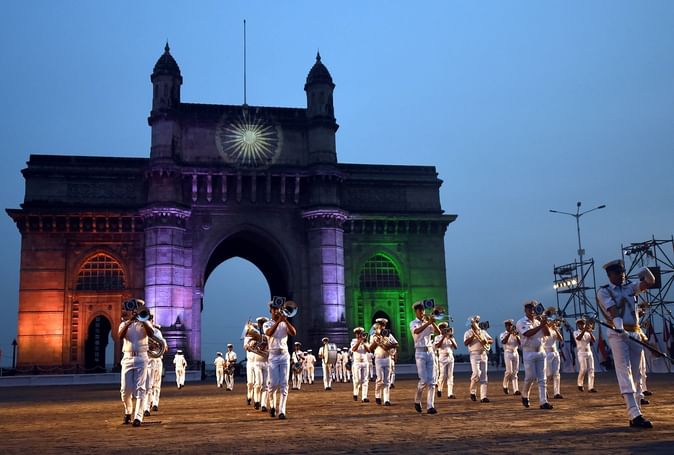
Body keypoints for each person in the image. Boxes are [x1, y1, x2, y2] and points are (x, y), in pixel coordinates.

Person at [596, 259, 655, 428]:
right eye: (617, 273)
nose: (621, 275)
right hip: (618, 334)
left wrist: (646, 271)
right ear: (609, 275)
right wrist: (620, 328)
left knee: (636, 373)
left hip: (635, 332)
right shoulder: (604, 291)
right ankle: (634, 414)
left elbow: (650, 282)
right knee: (624, 371)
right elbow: (613, 311)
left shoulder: (630, 287)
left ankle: (637, 411)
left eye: (622, 272)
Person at [119, 298, 155, 427]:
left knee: (141, 388)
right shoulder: (124, 324)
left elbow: (151, 334)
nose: (134, 312)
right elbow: (120, 336)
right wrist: (130, 322)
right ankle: (128, 411)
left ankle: (138, 417)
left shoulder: (145, 323)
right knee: (125, 390)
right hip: (127, 357)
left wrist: (143, 320)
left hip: (141, 357)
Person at [516, 301, 553, 410]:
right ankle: (525, 394)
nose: (532, 311)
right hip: (529, 352)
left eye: (533, 309)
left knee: (542, 378)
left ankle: (543, 401)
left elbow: (547, 333)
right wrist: (541, 325)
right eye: (529, 309)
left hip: (541, 351)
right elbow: (527, 334)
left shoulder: (538, 321)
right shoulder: (521, 322)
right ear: (525, 310)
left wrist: (543, 323)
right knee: (530, 377)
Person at [263, 301, 297, 420]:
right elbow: (269, 333)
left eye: (278, 309)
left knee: (284, 384)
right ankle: (272, 404)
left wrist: (285, 321)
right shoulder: (267, 324)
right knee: (273, 384)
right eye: (274, 309)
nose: (277, 311)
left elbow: (293, 332)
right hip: (273, 356)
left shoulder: (284, 323)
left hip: (284, 355)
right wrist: (278, 322)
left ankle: (282, 411)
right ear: (270, 311)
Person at [410, 301, 440, 414]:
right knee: (423, 381)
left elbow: (438, 332)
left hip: (430, 352)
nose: (422, 312)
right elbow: (417, 331)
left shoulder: (427, 322)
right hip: (420, 353)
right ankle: (417, 400)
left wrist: (433, 322)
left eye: (423, 310)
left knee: (432, 381)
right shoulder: (413, 323)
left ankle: (430, 406)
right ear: (416, 311)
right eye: (420, 310)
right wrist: (428, 324)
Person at [463, 315, 494, 403]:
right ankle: (472, 392)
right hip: (474, 354)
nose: (476, 324)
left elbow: (491, 340)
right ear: (471, 324)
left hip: (483, 354)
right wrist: (473, 336)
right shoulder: (468, 333)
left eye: (477, 322)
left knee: (484, 375)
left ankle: (483, 397)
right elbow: (465, 343)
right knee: (476, 373)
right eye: (474, 322)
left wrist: (486, 341)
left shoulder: (483, 332)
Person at [370, 318, 398, 406]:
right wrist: (377, 342)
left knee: (387, 380)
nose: (382, 327)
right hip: (379, 359)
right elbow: (370, 348)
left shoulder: (388, 335)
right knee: (380, 379)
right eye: (380, 325)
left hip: (388, 358)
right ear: (377, 326)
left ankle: (386, 399)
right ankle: (377, 395)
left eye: (383, 325)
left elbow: (396, 344)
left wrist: (389, 346)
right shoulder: (373, 336)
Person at [143, 317, 167, 415]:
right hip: (148, 360)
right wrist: (147, 347)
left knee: (157, 383)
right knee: (148, 385)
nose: (149, 322)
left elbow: (165, 347)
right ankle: (146, 407)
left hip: (158, 359)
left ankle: (155, 403)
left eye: (150, 320)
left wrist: (158, 345)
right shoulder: (142, 332)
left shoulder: (157, 332)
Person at [248, 316, 269, 411]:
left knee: (266, 385)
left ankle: (264, 404)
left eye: (263, 323)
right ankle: (256, 400)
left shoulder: (268, 335)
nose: (262, 325)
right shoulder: (254, 337)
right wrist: (250, 345)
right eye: (260, 323)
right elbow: (248, 346)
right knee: (258, 383)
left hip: (267, 362)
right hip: (257, 362)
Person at [544, 313, 564, 400]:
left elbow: (561, 339)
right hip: (547, 353)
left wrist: (556, 329)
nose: (553, 322)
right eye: (551, 320)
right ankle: (544, 390)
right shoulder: (544, 330)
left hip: (555, 352)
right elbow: (547, 335)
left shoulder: (554, 330)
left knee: (556, 374)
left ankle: (557, 393)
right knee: (549, 374)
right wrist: (548, 326)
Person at [434, 322, 458, 399]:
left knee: (450, 376)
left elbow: (456, 347)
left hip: (450, 357)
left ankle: (450, 394)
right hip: (442, 357)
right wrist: (443, 337)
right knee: (443, 375)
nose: (445, 330)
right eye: (443, 328)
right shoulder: (437, 337)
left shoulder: (450, 337)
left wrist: (450, 338)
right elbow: (438, 346)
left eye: (446, 328)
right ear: (440, 329)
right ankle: (439, 389)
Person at [574, 319, 596, 393]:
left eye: (583, 324)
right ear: (578, 325)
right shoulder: (575, 332)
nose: (582, 325)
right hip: (581, 353)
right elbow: (578, 338)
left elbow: (594, 340)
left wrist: (590, 332)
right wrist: (584, 331)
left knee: (591, 369)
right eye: (581, 324)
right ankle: (580, 384)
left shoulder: (588, 332)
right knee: (583, 369)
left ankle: (591, 387)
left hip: (589, 352)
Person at [499, 319, 521, 396]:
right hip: (507, 353)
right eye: (508, 326)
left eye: (511, 325)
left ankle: (516, 390)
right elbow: (503, 342)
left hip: (515, 352)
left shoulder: (516, 334)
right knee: (509, 371)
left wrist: (516, 335)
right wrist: (509, 333)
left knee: (515, 372)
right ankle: (505, 384)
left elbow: (520, 343)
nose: (510, 327)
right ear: (506, 326)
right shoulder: (503, 334)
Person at [350, 327, 371, 402]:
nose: (359, 335)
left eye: (360, 334)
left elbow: (369, 350)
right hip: (357, 363)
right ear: (355, 335)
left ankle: (364, 397)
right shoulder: (353, 341)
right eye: (358, 334)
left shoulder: (365, 341)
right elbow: (354, 349)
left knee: (365, 380)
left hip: (365, 362)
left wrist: (364, 343)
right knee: (357, 380)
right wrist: (359, 341)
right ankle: (355, 393)